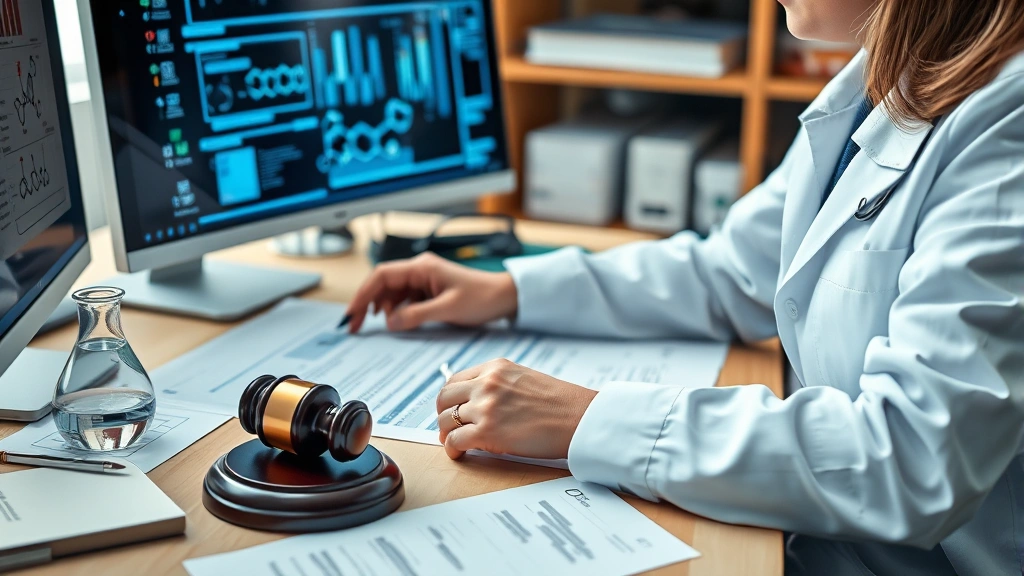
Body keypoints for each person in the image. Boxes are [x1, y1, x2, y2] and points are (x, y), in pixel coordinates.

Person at [346, 0, 1024, 573]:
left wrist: (588, 419)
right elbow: (730, 271)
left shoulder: (1007, 124)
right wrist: (509, 290)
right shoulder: (879, 76)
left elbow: (912, 459)